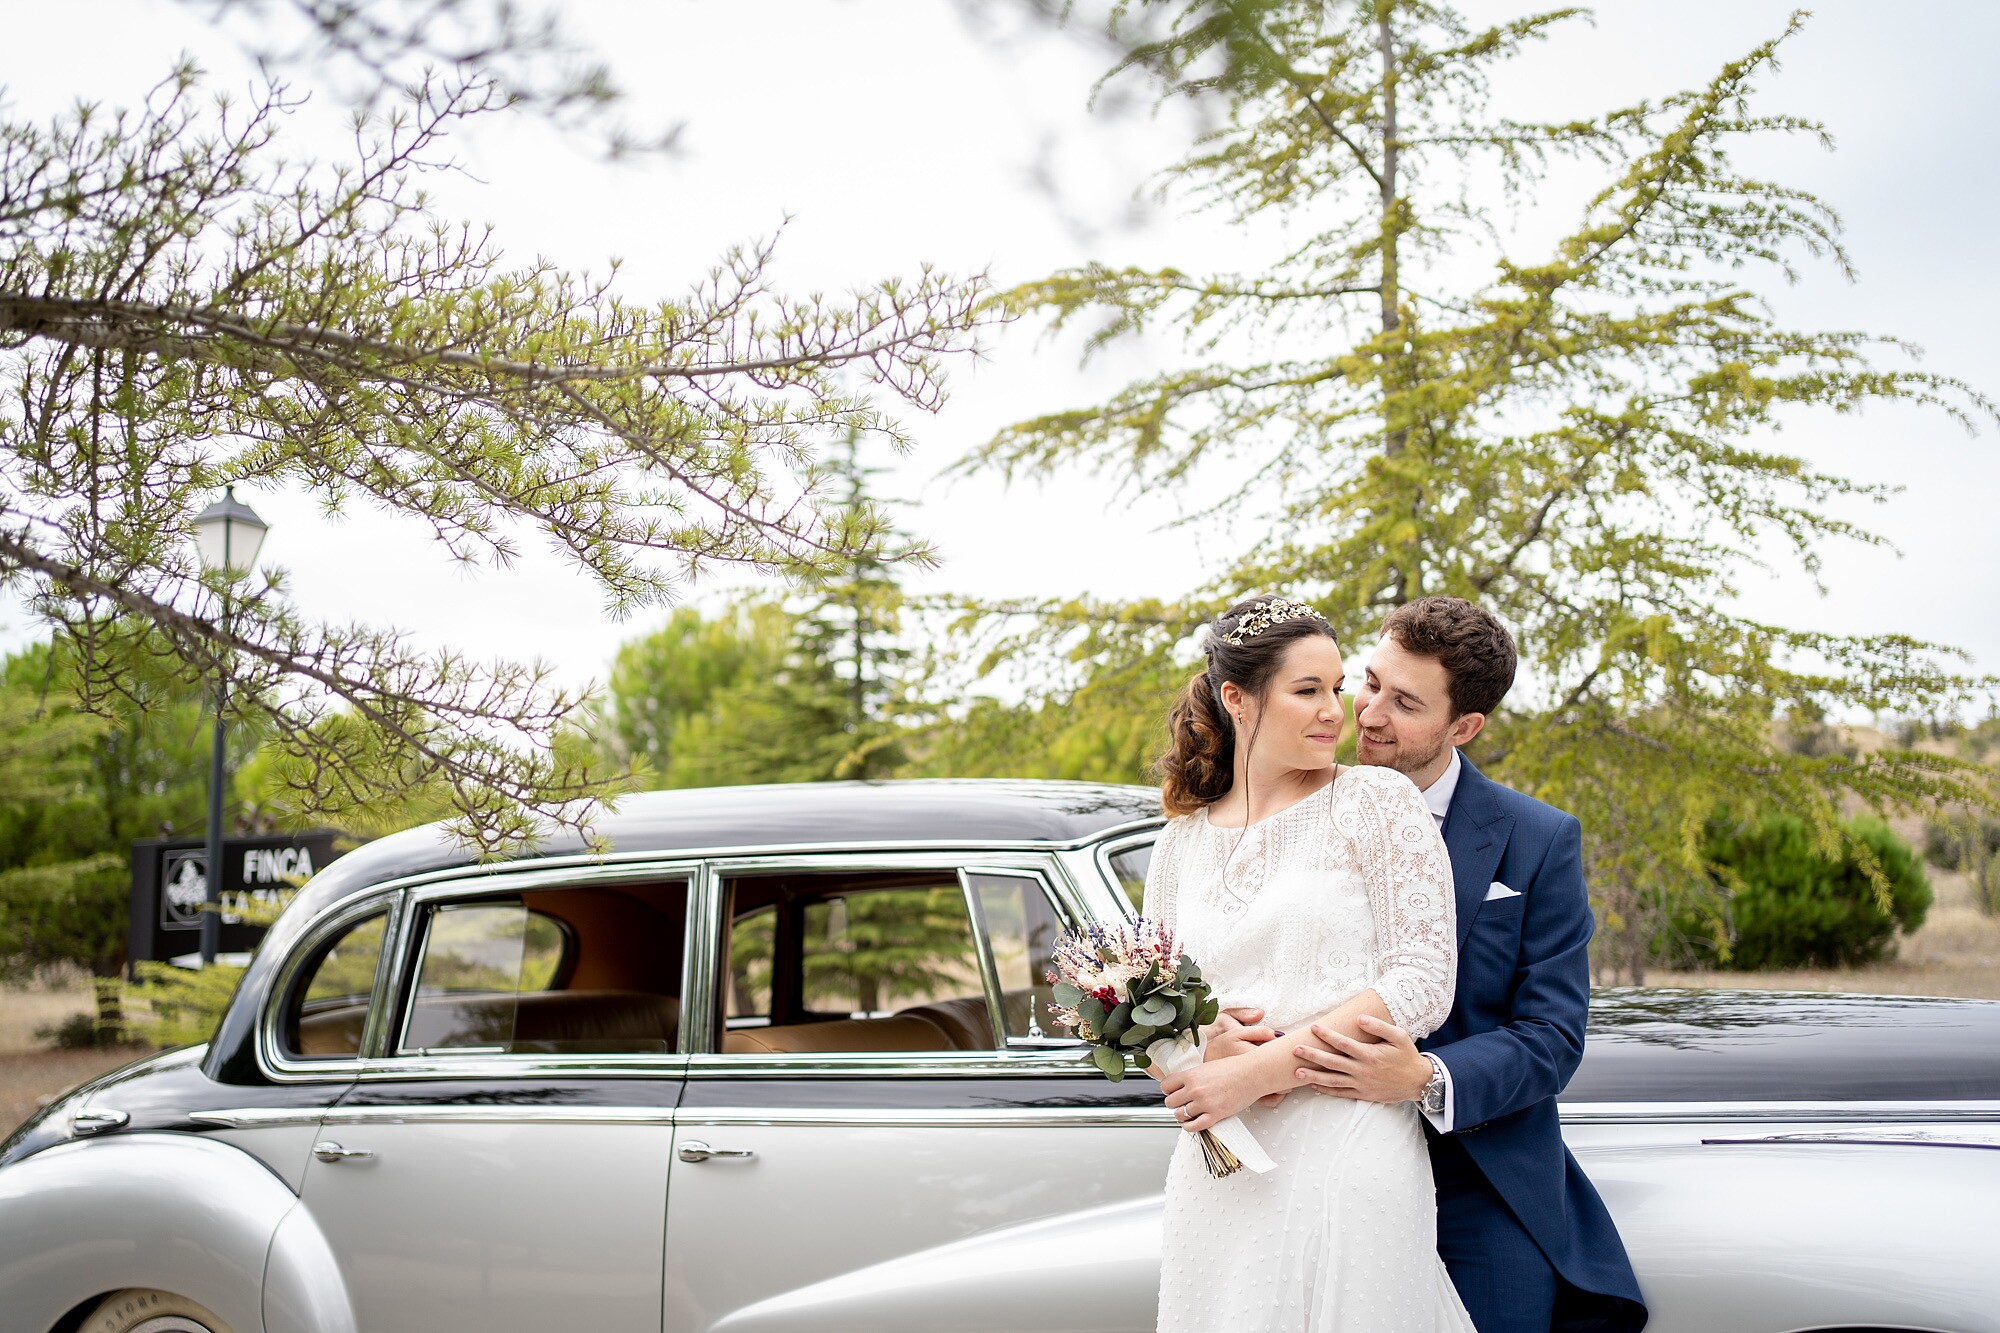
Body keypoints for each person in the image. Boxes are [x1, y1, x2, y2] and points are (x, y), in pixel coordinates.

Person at [1259, 596, 1649, 1333]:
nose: (1368, 714)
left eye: (1405, 702)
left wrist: (1425, 1079)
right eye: (1368, 682)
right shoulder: (1289, 809)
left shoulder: (1537, 840)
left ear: (1463, 726)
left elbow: (1552, 1034)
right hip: (1311, 1162)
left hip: (1473, 1180)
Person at [1144, 593, 1476, 1333]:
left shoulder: (1379, 802)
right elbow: (1150, 1015)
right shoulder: (1179, 843)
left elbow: (1421, 982)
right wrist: (1198, 1049)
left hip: (1348, 1141)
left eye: (1337, 686)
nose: (1338, 710)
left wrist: (1261, 1069)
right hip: (1222, 1162)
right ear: (1238, 698)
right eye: (1308, 690)